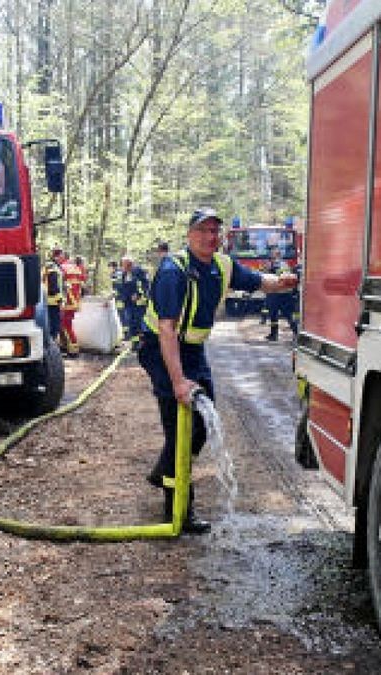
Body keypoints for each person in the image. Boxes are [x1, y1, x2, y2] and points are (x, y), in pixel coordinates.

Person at [138, 207, 297, 534]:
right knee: (179, 428)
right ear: (189, 235)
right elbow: (167, 329)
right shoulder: (174, 271)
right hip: (161, 350)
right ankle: (178, 512)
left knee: (200, 426)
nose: (211, 237)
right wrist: (178, 381)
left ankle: (163, 471)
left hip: (193, 351)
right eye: (203, 231)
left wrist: (281, 283)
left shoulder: (222, 265)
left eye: (215, 231)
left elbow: (257, 281)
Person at [263, 246, 298, 341]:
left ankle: (275, 335)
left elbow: (269, 276)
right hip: (284, 293)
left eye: (272, 253)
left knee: (275, 314)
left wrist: (267, 269)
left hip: (275, 292)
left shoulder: (273, 265)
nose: (271, 254)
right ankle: (294, 333)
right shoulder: (285, 264)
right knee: (286, 314)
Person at [60, 251, 86, 357]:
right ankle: (65, 346)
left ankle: (73, 349)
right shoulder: (77, 269)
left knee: (65, 325)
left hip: (66, 302)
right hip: (74, 301)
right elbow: (82, 284)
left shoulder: (62, 268)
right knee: (66, 325)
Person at [117, 256, 149, 343]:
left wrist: (138, 294)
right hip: (128, 302)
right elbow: (122, 287)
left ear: (129, 265)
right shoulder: (124, 274)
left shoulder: (139, 271)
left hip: (139, 303)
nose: (122, 267)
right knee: (130, 322)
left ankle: (143, 342)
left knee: (139, 322)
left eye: (123, 265)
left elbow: (146, 285)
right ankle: (135, 342)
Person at [43, 246, 66, 348]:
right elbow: (53, 286)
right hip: (53, 302)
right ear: (57, 256)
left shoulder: (50, 266)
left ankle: (50, 347)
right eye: (62, 255)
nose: (63, 257)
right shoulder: (53, 267)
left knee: (51, 325)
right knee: (54, 326)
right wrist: (60, 300)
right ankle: (51, 349)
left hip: (48, 301)